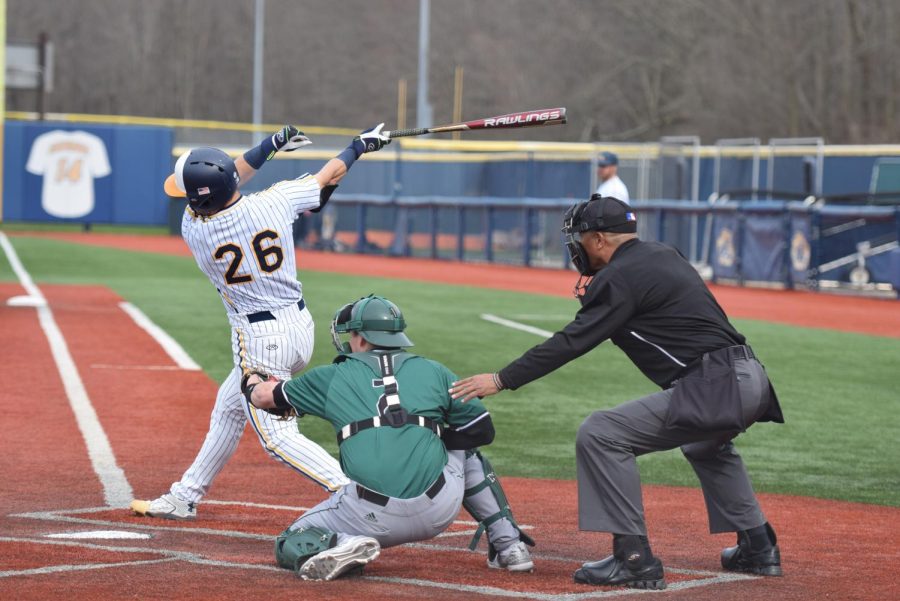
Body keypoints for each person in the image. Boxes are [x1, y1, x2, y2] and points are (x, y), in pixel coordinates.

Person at [450, 195, 784, 590]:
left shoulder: (619, 277)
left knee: (601, 433)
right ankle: (758, 546)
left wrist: (502, 378)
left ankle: (634, 559)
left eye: (579, 237)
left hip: (717, 385)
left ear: (599, 240)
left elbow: (571, 342)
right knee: (704, 445)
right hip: (751, 378)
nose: (575, 246)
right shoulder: (663, 254)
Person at [131, 123, 392, 520]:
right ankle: (185, 496)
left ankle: (354, 494)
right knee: (229, 408)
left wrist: (270, 145)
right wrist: (358, 147)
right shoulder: (277, 201)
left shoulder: (195, 227)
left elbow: (227, 178)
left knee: (276, 437)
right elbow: (328, 177)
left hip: (260, 338)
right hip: (299, 326)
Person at [244, 295, 535, 581]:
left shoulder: (331, 376)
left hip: (368, 518)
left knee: (290, 540)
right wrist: (427, 435)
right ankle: (509, 545)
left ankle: (342, 543)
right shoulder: (435, 370)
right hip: (440, 508)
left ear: (360, 337)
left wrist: (252, 379)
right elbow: (482, 429)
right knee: (466, 449)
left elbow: (262, 398)